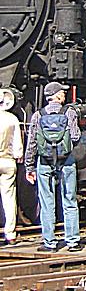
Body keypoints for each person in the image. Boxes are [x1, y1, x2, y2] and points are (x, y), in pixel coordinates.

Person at [24, 81, 81, 252]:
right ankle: (73, 242)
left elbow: (32, 142)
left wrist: (29, 166)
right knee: (69, 200)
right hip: (66, 161)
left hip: (45, 162)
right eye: (62, 92)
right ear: (56, 95)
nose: (64, 94)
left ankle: (49, 242)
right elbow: (75, 136)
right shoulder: (69, 112)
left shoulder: (38, 115)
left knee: (47, 201)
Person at [0, 89, 22, 245]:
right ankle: (10, 233)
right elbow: (18, 145)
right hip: (7, 161)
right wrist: (17, 155)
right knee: (9, 198)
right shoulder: (12, 119)